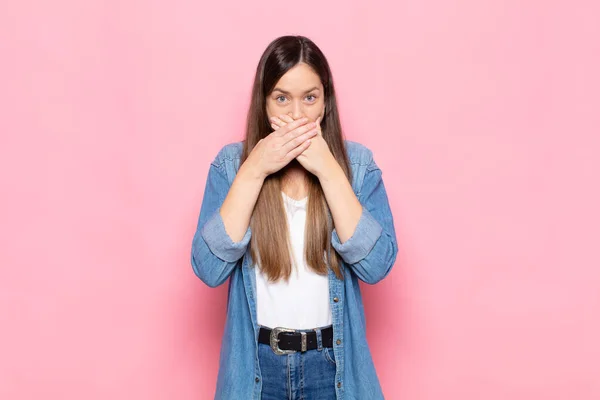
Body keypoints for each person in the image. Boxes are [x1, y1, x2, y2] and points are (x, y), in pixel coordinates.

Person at [191, 35, 398, 400]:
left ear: (325, 102)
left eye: (309, 98)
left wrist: (329, 170)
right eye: (282, 98)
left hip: (331, 368)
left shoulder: (357, 166)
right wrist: (254, 170)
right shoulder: (231, 166)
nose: (297, 115)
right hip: (257, 369)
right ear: (264, 101)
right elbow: (208, 268)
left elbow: (377, 265)